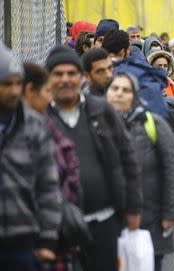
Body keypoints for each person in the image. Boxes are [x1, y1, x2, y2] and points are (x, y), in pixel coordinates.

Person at [45, 46, 142, 271]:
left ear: (81, 77)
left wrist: (134, 209)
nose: (65, 79)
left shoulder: (101, 110)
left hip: (105, 223)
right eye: (58, 74)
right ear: (48, 79)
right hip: (59, 227)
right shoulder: (39, 118)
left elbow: (128, 159)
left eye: (71, 73)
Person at [105, 72, 174, 271]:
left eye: (126, 90)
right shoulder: (95, 123)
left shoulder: (153, 124)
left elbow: (173, 168)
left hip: (150, 221)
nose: (119, 94)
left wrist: (171, 213)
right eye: (115, 89)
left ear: (135, 95)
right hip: (107, 223)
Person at [0, 42, 62, 271]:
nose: (15, 91)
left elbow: (48, 186)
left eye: (18, 83)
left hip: (24, 241)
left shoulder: (33, 126)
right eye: (7, 84)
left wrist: (47, 239)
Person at [22, 62, 80, 271]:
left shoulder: (43, 125)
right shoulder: (34, 130)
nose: (50, 97)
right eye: (46, 91)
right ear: (29, 91)